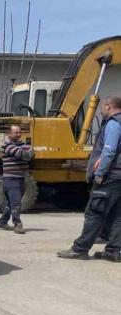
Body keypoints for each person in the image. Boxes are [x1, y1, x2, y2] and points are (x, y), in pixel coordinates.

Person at [58, 96, 121, 262]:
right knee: (117, 215)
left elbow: (109, 151)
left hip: (110, 176)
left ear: (109, 106)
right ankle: (113, 251)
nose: (101, 111)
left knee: (95, 212)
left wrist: (100, 173)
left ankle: (80, 249)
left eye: (102, 107)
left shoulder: (114, 124)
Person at [0, 125, 34, 234]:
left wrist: (27, 152)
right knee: (16, 203)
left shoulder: (22, 145)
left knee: (11, 202)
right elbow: (23, 154)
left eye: (19, 132)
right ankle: (17, 224)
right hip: (11, 179)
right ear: (9, 134)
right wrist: (26, 152)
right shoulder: (7, 146)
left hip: (21, 178)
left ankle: (2, 221)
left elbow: (31, 154)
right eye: (16, 132)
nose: (18, 134)